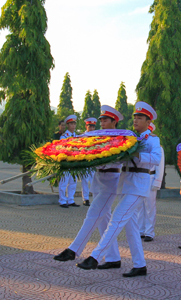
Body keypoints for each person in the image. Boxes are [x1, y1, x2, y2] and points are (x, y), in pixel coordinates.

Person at [76, 102, 161, 278]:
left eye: (140, 118)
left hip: (139, 184)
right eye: (135, 117)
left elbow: (156, 159)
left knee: (116, 218)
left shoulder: (153, 139)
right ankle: (140, 265)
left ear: (148, 121)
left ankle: (95, 257)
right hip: (126, 182)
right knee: (131, 227)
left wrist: (137, 154)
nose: (136, 120)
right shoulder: (130, 138)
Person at [54, 106, 124, 268]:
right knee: (103, 219)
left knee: (93, 213)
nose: (102, 123)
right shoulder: (95, 136)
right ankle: (113, 258)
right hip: (98, 178)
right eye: (101, 120)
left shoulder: (120, 138)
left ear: (114, 122)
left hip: (112, 178)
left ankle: (73, 250)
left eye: (105, 120)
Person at [139, 123, 165, 242]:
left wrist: (157, 182)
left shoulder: (157, 146)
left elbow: (160, 165)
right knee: (139, 206)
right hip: (140, 177)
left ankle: (149, 232)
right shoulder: (139, 144)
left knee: (150, 206)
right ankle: (141, 230)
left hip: (150, 177)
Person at [58, 115, 79, 208]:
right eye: (71, 124)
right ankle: (62, 200)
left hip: (74, 162)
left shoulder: (77, 136)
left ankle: (70, 199)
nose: (73, 126)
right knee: (64, 182)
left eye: (74, 123)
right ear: (67, 125)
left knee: (73, 182)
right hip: (66, 161)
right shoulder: (64, 136)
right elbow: (62, 148)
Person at [81, 117, 97, 206]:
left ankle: (95, 198)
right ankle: (85, 199)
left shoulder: (96, 136)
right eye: (89, 126)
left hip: (93, 161)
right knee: (85, 180)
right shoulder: (82, 136)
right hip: (85, 160)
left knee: (94, 180)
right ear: (86, 126)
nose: (91, 128)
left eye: (93, 127)